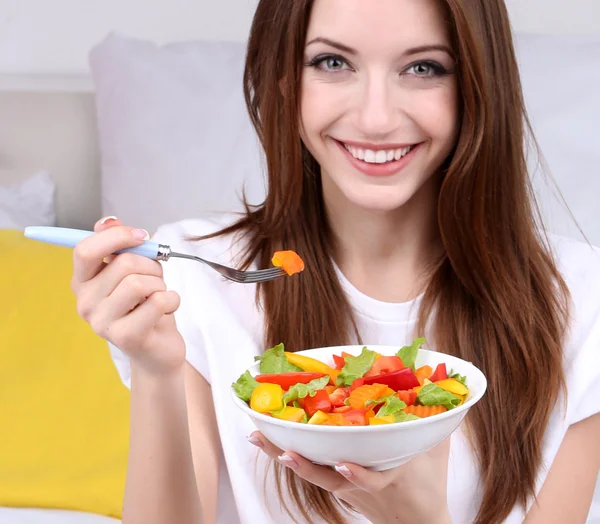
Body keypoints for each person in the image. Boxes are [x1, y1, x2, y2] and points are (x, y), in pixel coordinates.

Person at [70, 1, 600, 523]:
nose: (375, 118)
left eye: (423, 68)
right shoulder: (196, 278)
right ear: (283, 80)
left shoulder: (578, 298)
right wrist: (156, 370)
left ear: (477, 91)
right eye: (332, 63)